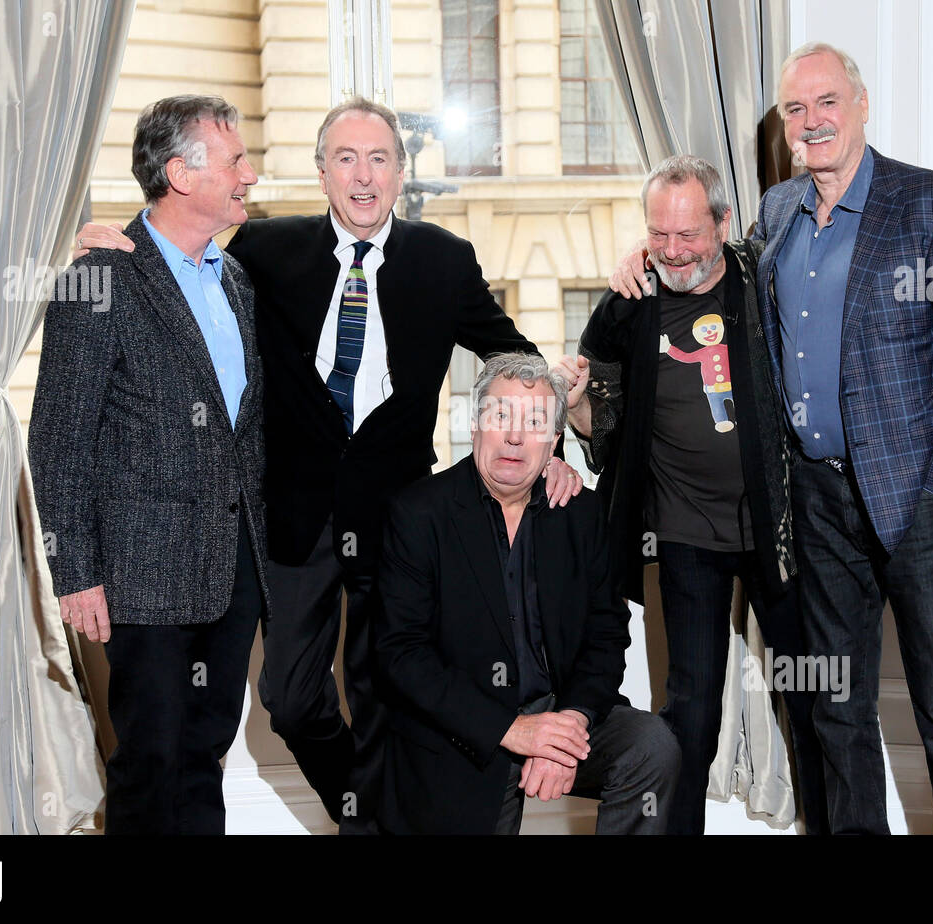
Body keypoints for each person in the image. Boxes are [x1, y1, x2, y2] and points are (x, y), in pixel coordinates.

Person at [73, 97, 582, 832]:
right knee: (291, 698)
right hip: (292, 516)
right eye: (346, 159)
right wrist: (108, 240)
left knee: (388, 694)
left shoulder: (444, 259)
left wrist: (553, 446)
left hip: (400, 518)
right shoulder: (265, 250)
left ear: (402, 172)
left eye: (380, 159)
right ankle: (365, 809)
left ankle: (374, 827)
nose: (364, 175)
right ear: (321, 173)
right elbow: (173, 250)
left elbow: (514, 357)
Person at [613, 43, 933, 834]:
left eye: (826, 102)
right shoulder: (781, 212)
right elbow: (712, 267)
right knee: (835, 708)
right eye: (795, 109)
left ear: (860, 106)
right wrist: (651, 258)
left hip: (919, 503)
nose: (811, 121)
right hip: (816, 502)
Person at [556, 155, 827, 835]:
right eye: (659, 235)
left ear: (723, 223)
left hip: (780, 528)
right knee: (691, 709)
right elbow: (603, 426)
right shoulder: (628, 304)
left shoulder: (765, 279)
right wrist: (580, 404)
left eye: (689, 235)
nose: (674, 252)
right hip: (683, 535)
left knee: (814, 700)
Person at [29, 95, 269, 834]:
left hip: (233, 571)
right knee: (151, 760)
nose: (249, 175)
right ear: (181, 175)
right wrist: (75, 573)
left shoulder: (234, 280)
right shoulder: (97, 275)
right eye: (234, 161)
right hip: (140, 576)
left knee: (205, 755)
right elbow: (57, 436)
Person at [374, 353, 680, 834]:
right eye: (501, 416)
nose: (516, 436)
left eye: (535, 421)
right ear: (476, 425)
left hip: (559, 712)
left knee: (651, 744)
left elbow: (606, 637)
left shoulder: (580, 513)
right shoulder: (418, 514)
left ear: (554, 441)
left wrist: (570, 724)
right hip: (464, 729)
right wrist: (515, 731)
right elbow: (401, 657)